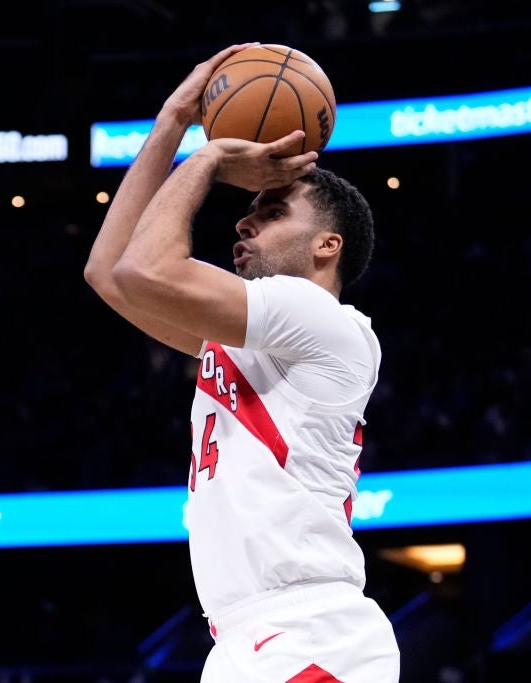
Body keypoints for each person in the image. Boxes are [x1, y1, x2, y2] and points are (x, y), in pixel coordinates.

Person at [84, 42, 400, 682]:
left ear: (326, 246)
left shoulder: (323, 321)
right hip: (243, 638)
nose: (243, 226)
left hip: (313, 632)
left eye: (271, 211)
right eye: (249, 211)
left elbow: (147, 270)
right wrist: (172, 121)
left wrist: (209, 154)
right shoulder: (247, 344)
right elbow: (109, 273)